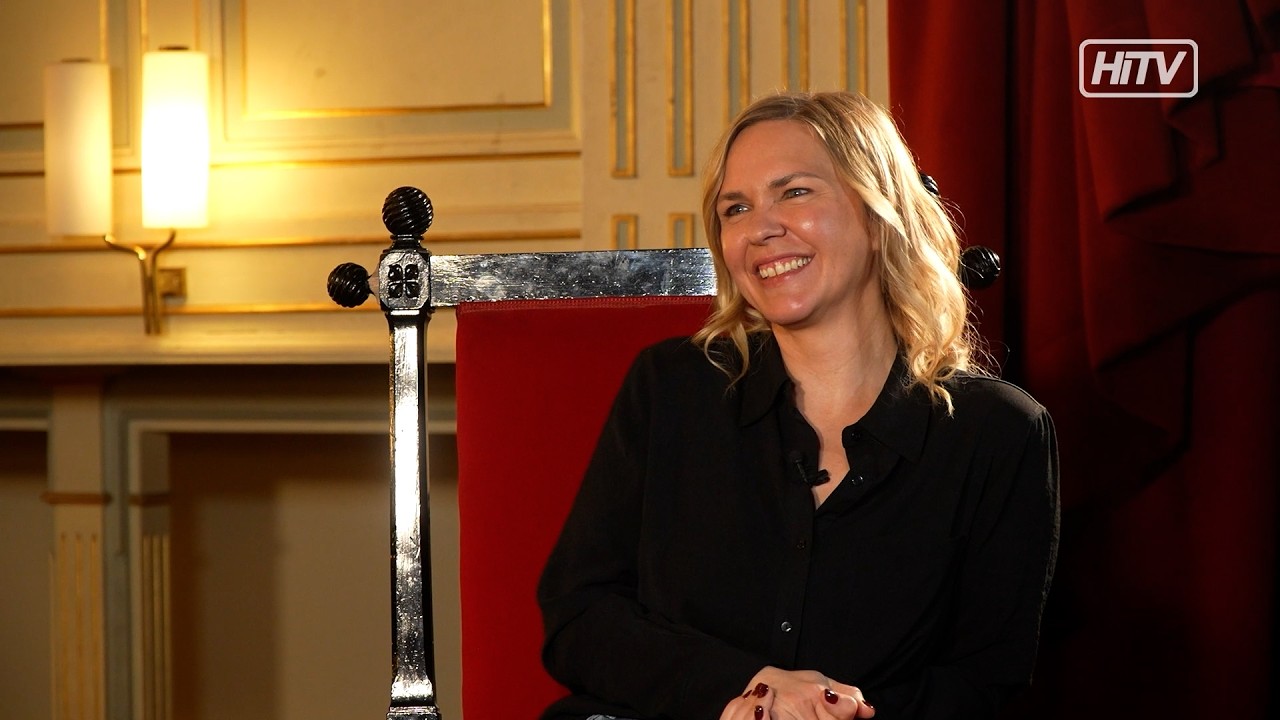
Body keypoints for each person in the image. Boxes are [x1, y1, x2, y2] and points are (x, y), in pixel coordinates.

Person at [537, 91, 1060, 720]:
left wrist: (831, 715)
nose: (760, 228)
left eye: (795, 192)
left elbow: (984, 682)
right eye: (736, 208)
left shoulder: (999, 432)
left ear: (879, 215)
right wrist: (746, 690)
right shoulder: (670, 387)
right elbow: (580, 619)